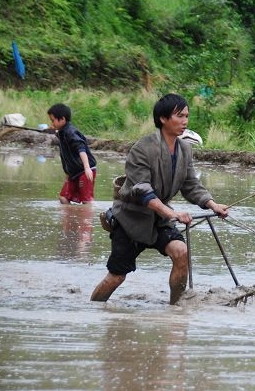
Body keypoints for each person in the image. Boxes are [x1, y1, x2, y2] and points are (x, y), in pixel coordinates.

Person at [91, 93, 229, 305]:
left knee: (180, 252)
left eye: (186, 116)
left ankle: (175, 308)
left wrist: (212, 204)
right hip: (131, 220)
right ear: (163, 118)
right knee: (117, 276)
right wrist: (171, 213)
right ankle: (93, 309)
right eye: (179, 116)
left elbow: (191, 184)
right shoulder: (142, 148)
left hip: (159, 220)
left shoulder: (184, 149)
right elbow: (143, 190)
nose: (185, 121)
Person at [47, 103, 97, 204]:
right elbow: (67, 156)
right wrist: (67, 172)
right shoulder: (61, 132)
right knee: (63, 198)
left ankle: (87, 218)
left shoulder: (70, 132)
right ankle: (71, 218)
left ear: (62, 119)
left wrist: (87, 168)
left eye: (53, 120)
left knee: (86, 200)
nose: (52, 123)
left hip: (84, 171)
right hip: (73, 173)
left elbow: (81, 149)